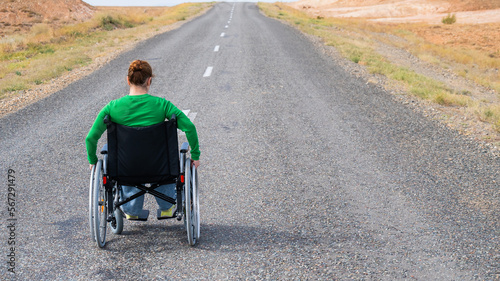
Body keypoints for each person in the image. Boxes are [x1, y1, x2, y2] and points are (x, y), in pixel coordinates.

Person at [85, 59, 200, 220]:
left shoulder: (112, 107)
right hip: (161, 169)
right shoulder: (162, 105)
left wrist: (92, 160)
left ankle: (131, 210)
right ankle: (167, 206)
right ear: (149, 80)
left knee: (126, 165)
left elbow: (91, 138)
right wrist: (195, 155)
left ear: (128, 80)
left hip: (125, 170)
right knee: (164, 166)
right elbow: (189, 127)